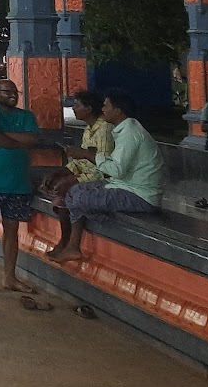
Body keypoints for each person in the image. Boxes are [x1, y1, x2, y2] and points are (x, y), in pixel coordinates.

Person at [50, 89, 164, 262]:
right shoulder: (125, 130)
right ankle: (73, 246)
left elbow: (116, 170)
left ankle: (78, 239)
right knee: (75, 192)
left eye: (106, 106)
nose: (103, 109)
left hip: (141, 195)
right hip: (124, 186)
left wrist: (88, 155)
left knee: (78, 195)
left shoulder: (130, 134)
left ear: (118, 110)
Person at [0, 79, 41, 305]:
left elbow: (32, 140)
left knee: (12, 232)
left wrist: (4, 138)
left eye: (15, 92)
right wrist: (17, 141)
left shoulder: (27, 115)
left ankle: (9, 277)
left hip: (19, 184)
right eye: (7, 92)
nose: (13, 95)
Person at [42, 89, 114, 196]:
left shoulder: (105, 129)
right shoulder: (88, 129)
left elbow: (105, 170)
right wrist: (60, 172)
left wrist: (74, 180)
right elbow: (83, 163)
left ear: (88, 109)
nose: (73, 108)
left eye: (77, 105)